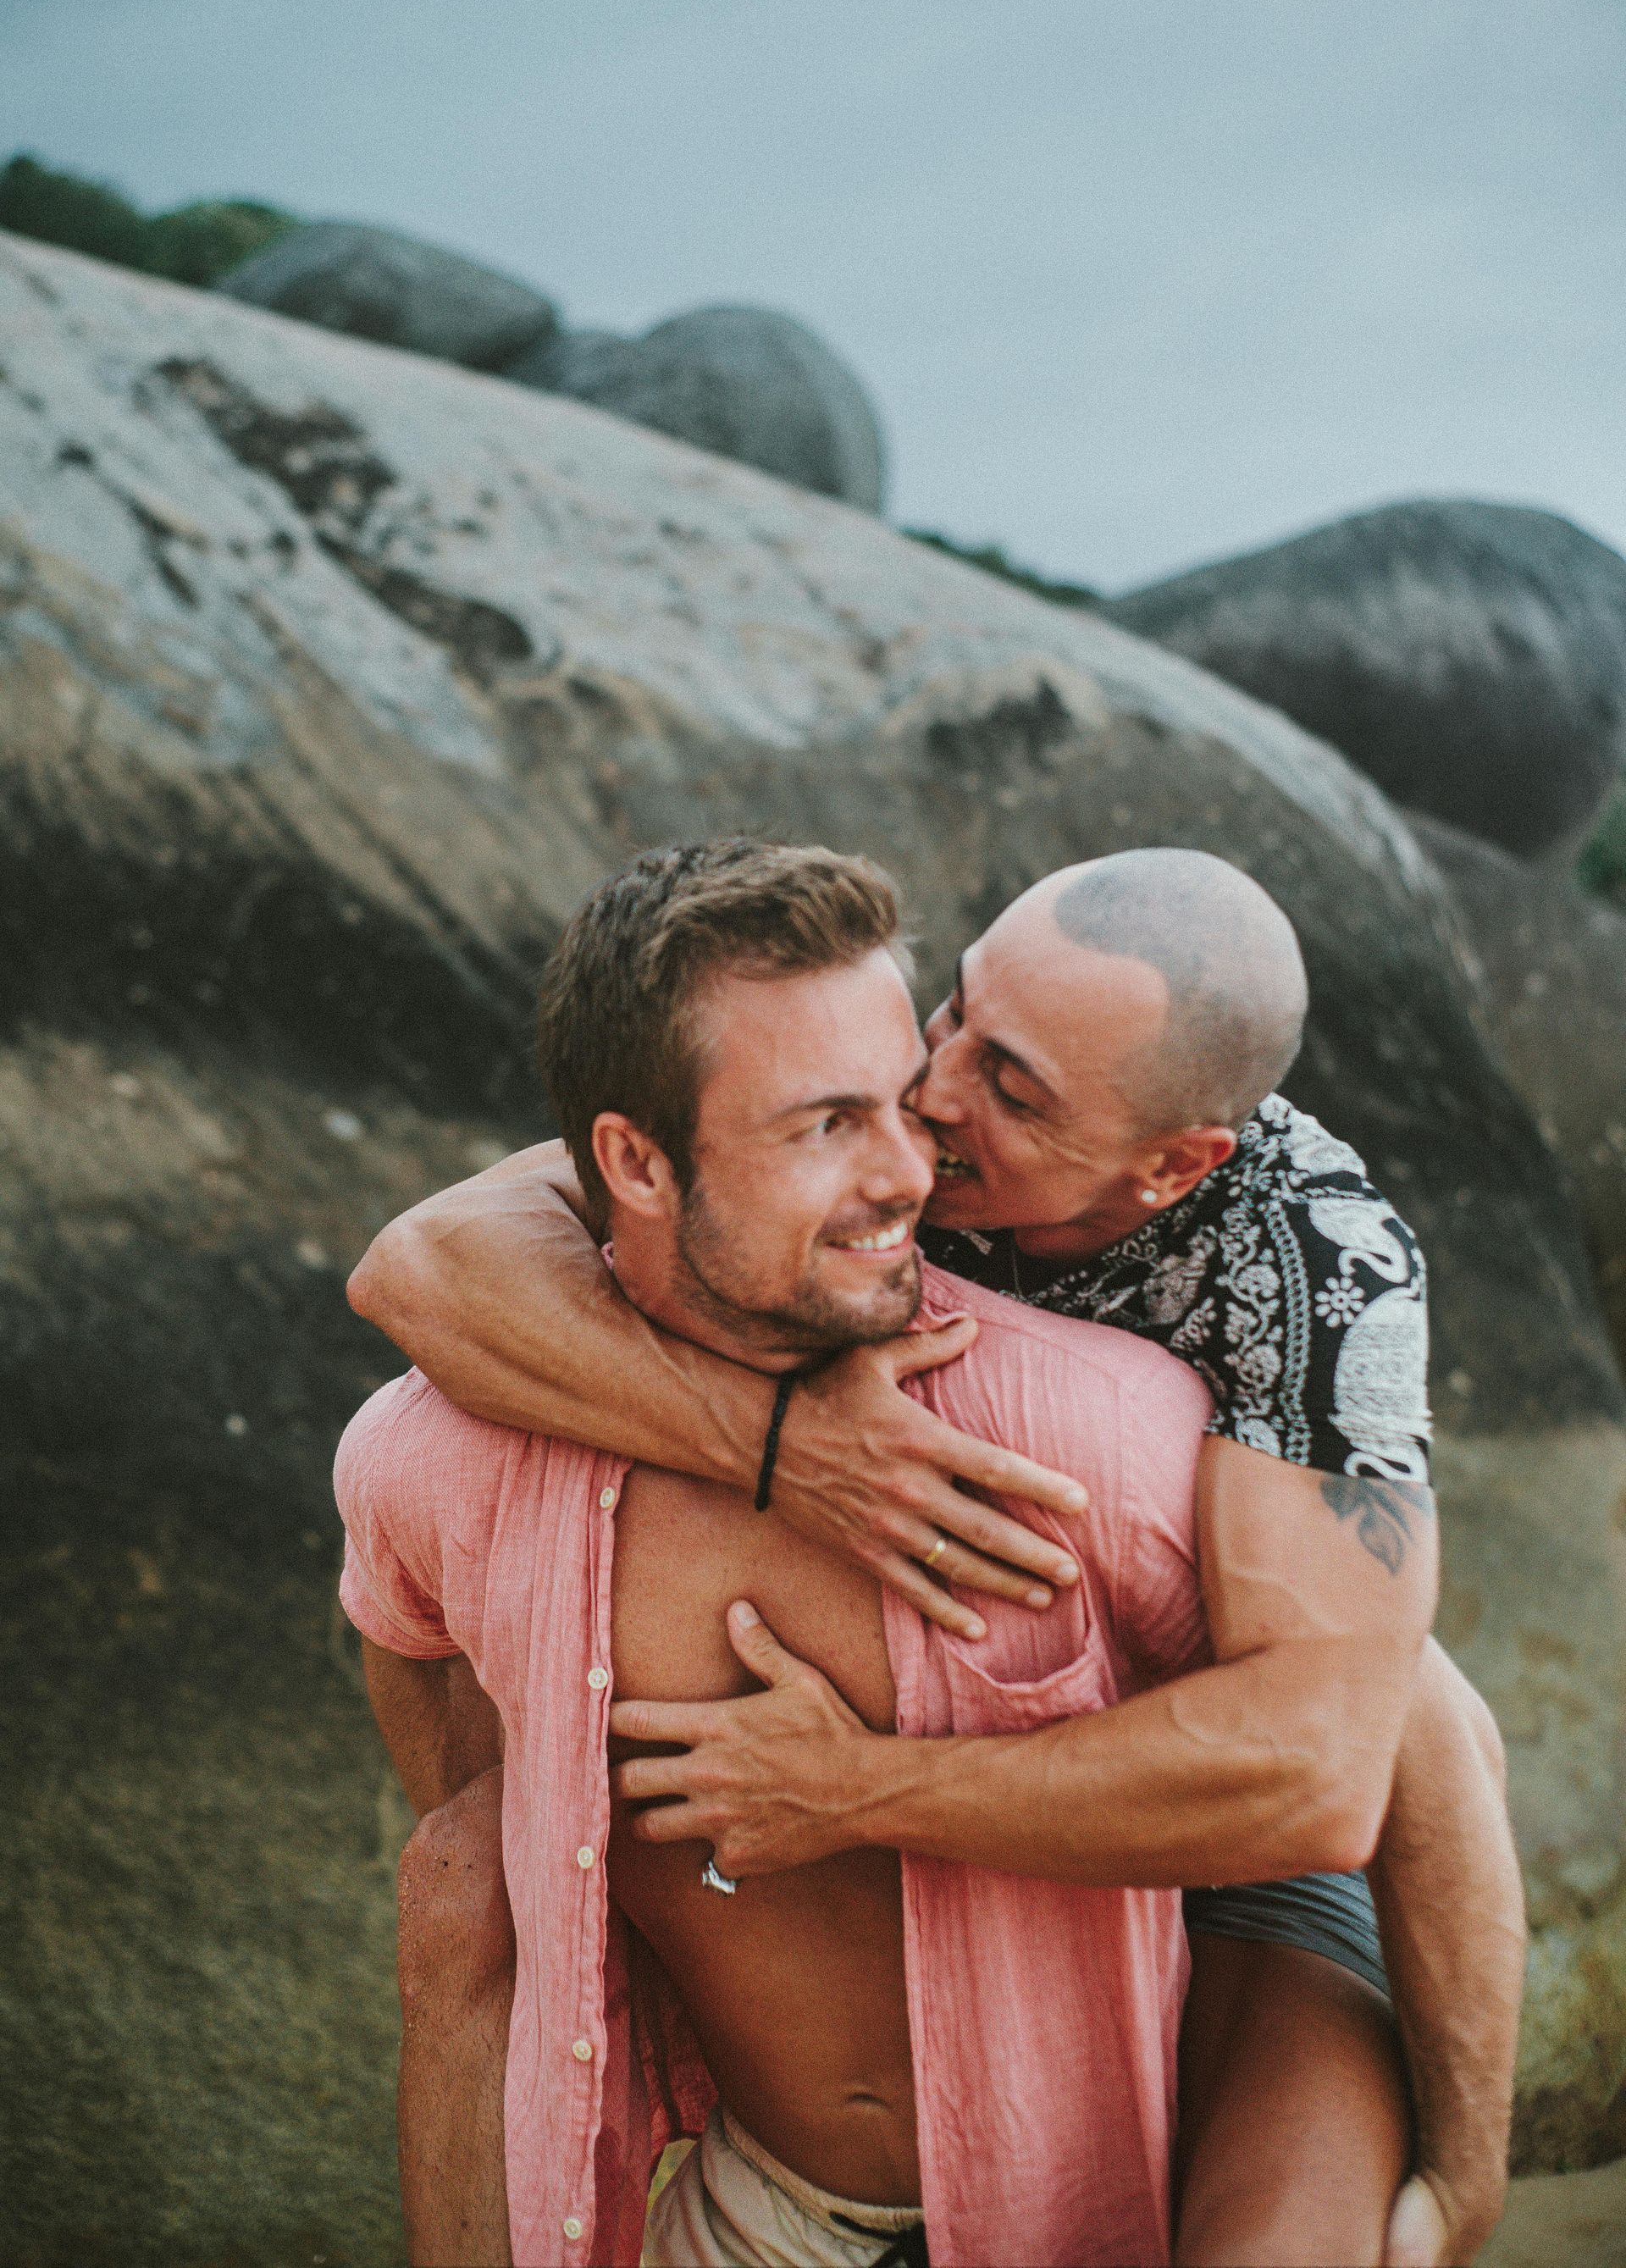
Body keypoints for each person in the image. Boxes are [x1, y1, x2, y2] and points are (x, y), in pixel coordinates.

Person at [352, 844, 1525, 2267]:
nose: (936, 1105)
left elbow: (1361, 1755)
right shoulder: (876, 1100)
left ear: (1171, 1163)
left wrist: (852, 1790)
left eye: (1012, 1090)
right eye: (954, 1015)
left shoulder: (1314, 1272)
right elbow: (420, 1265)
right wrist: (776, 1438)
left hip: (1238, 1824)